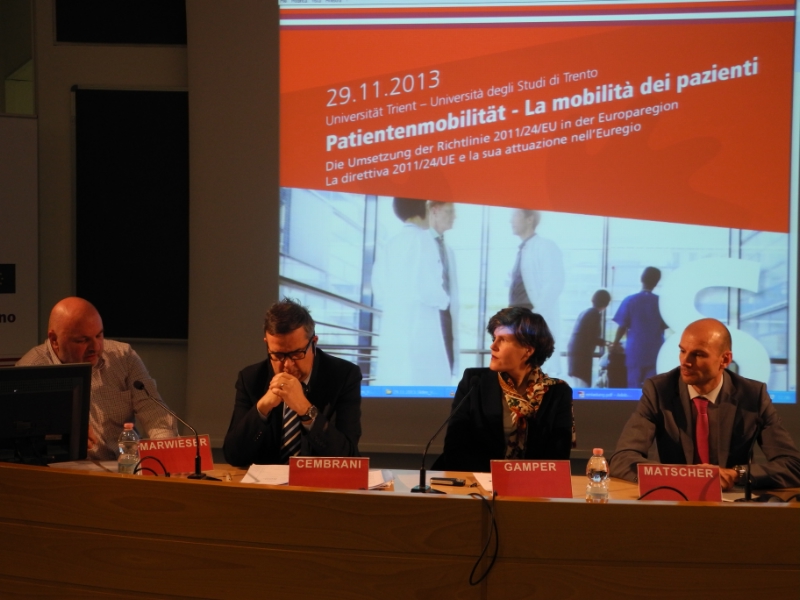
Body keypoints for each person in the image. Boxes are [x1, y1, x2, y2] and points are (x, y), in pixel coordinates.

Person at [609, 318, 800, 490]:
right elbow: (623, 459)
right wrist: (683, 477)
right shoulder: (659, 390)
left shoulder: (753, 395)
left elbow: (793, 466)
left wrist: (737, 474)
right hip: (673, 500)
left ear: (725, 359)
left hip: (732, 504)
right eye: (682, 351)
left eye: (698, 354)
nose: (685, 361)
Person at [16, 297, 177, 460]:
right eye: (83, 340)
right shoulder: (31, 370)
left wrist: (165, 455)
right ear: (54, 340)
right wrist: (58, 430)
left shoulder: (123, 357)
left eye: (99, 335)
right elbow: (17, 436)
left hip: (125, 465)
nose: (96, 347)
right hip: (65, 470)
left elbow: (154, 412)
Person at [223, 298, 362, 466]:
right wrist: (262, 408)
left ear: (314, 343)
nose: (287, 365)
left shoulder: (343, 376)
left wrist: (306, 410)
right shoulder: (251, 378)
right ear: (267, 344)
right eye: (278, 355)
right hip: (267, 482)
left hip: (317, 481)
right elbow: (234, 456)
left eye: (297, 354)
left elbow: (348, 457)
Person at [434, 307, 574, 473]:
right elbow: (455, 449)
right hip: (474, 481)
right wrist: (494, 481)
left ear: (528, 350)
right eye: (494, 338)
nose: (493, 346)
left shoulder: (557, 392)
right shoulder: (474, 381)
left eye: (503, 340)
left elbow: (557, 458)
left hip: (530, 484)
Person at [372, 197, 450, 386]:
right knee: (424, 382)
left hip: (394, 324)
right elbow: (428, 288)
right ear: (422, 209)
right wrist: (445, 300)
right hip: (420, 322)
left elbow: (379, 289)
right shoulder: (423, 239)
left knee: (395, 380)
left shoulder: (390, 243)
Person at [509, 209, 565, 376]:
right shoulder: (524, 250)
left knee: (537, 371)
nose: (511, 221)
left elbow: (553, 284)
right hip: (519, 321)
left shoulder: (545, 247)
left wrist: (535, 316)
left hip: (531, 320)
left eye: (516, 216)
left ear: (530, 219)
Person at [612, 266, 668, 388]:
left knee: (634, 386)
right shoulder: (661, 302)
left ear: (641, 279)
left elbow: (622, 326)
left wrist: (615, 343)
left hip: (635, 350)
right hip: (655, 350)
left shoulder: (630, 300)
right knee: (653, 387)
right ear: (656, 282)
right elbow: (664, 326)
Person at [428, 200, 460, 379]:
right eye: (449, 211)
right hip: (430, 313)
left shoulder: (448, 250)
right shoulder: (421, 242)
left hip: (446, 315)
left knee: (445, 366)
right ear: (435, 211)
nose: (454, 216)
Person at [567, 289, 611, 388]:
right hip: (581, 356)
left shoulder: (586, 312)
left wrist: (604, 342)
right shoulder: (594, 314)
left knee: (578, 387)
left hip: (575, 354)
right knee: (583, 388)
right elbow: (591, 337)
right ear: (606, 303)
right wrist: (606, 343)